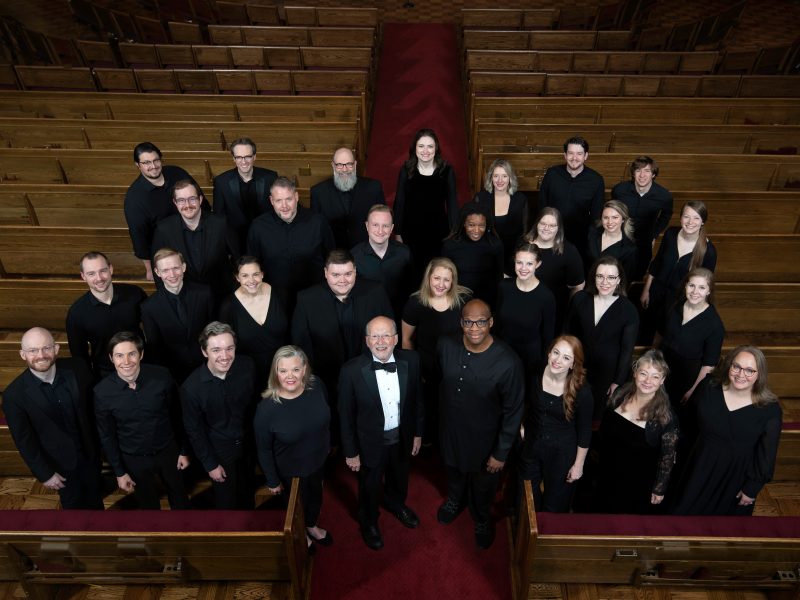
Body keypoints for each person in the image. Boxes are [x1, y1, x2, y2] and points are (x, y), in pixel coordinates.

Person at [436, 299, 524, 549]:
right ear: (461, 322)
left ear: (491, 322)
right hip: (451, 432)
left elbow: (513, 411)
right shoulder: (445, 345)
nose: (474, 328)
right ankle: (455, 500)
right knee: (453, 471)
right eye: (468, 322)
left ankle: (482, 517)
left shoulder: (509, 362)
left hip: (486, 441)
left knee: (484, 485)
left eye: (481, 322)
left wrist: (501, 452)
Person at [338, 316, 424, 550]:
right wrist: (350, 451)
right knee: (369, 485)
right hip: (369, 443)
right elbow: (345, 416)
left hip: (402, 436)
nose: (381, 341)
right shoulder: (351, 371)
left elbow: (417, 401)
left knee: (400, 476)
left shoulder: (412, 361)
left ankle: (396, 504)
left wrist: (417, 433)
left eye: (386, 335)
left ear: (396, 339)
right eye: (375, 336)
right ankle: (369, 521)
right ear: (367, 341)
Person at [291, 249, 393, 439]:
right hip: (328, 377)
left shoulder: (376, 292)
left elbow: (390, 334)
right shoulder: (306, 299)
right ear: (325, 273)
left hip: (370, 374)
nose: (343, 280)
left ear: (355, 270)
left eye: (348, 273)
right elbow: (301, 346)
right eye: (336, 274)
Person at [673, 346, 782, 516]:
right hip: (698, 466)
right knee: (681, 519)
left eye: (749, 370)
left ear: (759, 374)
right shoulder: (708, 386)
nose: (741, 374)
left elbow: (766, 456)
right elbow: (686, 423)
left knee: (720, 530)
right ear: (729, 365)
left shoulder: (770, 409)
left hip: (734, 477)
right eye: (736, 366)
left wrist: (752, 488)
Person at [4, 327, 104, 509]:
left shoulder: (78, 368)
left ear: (56, 349)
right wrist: (45, 474)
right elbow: (25, 441)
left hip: (91, 456)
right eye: (33, 350)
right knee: (73, 511)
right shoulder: (14, 395)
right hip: (61, 466)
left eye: (46, 348)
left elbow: (95, 409)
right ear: (22, 354)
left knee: (97, 504)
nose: (41, 355)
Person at [94, 331, 190, 510]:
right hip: (133, 458)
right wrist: (120, 471)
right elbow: (107, 436)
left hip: (168, 451)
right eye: (119, 356)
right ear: (111, 358)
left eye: (132, 354)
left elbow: (177, 415)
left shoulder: (162, 376)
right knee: (147, 506)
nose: (126, 361)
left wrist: (183, 450)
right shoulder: (101, 392)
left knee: (180, 498)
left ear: (141, 355)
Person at [254, 346, 332, 552]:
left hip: (318, 460)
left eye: (296, 369)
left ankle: (312, 526)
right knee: (295, 508)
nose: (290, 376)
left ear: (304, 369)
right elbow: (263, 449)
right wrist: (272, 479)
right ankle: (301, 534)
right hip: (290, 472)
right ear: (275, 373)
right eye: (283, 371)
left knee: (316, 497)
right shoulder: (266, 409)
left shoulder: (317, 386)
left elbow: (325, 420)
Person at [181, 322, 257, 509]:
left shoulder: (248, 366)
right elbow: (194, 431)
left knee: (248, 493)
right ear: (204, 352)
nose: (224, 356)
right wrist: (210, 465)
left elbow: (256, 405)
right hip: (220, 452)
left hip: (248, 445)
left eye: (229, 348)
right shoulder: (191, 388)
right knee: (226, 500)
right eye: (216, 350)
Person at [595, 349, 678, 514]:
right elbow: (604, 431)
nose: (648, 380)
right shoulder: (619, 395)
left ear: (662, 380)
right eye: (644, 374)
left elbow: (667, 458)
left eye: (655, 376)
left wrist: (659, 488)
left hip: (636, 484)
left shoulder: (665, 416)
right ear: (635, 373)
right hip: (607, 473)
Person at [401, 257, 471, 444]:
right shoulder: (415, 303)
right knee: (430, 406)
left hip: (456, 365)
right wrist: (415, 370)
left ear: (453, 281)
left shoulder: (464, 300)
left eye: (446, 280)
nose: (441, 284)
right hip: (427, 365)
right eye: (437, 278)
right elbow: (406, 339)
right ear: (428, 278)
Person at [519, 336, 592, 513]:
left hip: (562, 452)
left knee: (554, 504)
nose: (558, 360)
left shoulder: (583, 391)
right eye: (556, 353)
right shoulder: (535, 371)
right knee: (527, 497)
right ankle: (526, 535)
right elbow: (525, 402)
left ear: (573, 364)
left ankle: (545, 536)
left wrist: (578, 465)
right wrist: (522, 426)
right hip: (532, 443)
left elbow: (584, 431)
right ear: (549, 352)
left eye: (566, 358)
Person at [246, 176, 335, 316]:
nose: (284, 206)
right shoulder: (258, 227)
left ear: (296, 197)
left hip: (313, 296)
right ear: (271, 201)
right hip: (274, 299)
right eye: (278, 201)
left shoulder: (318, 222)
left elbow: (331, 258)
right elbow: (253, 264)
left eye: (288, 199)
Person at [659, 268, 724, 449]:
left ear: (709, 291)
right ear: (685, 286)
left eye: (702, 288)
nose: (695, 292)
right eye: (692, 285)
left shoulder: (714, 324)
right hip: (663, 371)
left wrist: (692, 391)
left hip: (686, 380)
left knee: (675, 425)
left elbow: (709, 365)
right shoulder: (675, 306)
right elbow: (662, 339)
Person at [565, 257, 639, 418]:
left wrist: (617, 382)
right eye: (600, 276)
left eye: (611, 277)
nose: (605, 282)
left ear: (619, 280)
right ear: (594, 277)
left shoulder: (629, 310)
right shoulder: (580, 299)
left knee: (595, 413)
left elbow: (627, 350)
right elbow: (567, 333)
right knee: (570, 407)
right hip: (578, 364)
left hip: (606, 373)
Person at [124, 142, 207, 281]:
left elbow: (201, 202)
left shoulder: (177, 173)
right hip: (168, 252)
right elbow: (139, 238)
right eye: (146, 162)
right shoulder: (134, 199)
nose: (153, 166)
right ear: (138, 165)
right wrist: (149, 269)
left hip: (197, 239)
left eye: (156, 160)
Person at [151, 179, 239, 306]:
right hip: (186, 300)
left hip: (221, 297)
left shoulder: (221, 223)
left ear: (200, 199)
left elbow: (238, 260)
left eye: (192, 199)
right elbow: (158, 266)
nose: (187, 205)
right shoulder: (164, 229)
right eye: (181, 200)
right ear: (175, 203)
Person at [640, 200, 717, 344]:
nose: (690, 222)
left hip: (678, 301)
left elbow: (706, 285)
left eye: (696, 218)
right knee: (646, 328)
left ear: (702, 222)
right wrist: (646, 290)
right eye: (686, 216)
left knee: (664, 335)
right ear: (681, 217)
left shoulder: (708, 251)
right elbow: (656, 263)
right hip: (656, 293)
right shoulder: (670, 234)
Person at [66, 251, 147, 381]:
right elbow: (79, 357)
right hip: (106, 375)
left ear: (111, 269)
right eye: (91, 274)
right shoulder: (76, 313)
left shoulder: (135, 294)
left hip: (142, 367)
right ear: (83, 276)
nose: (99, 278)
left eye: (103, 271)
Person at [394, 128, 459, 279]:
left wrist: (454, 233)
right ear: (414, 148)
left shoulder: (446, 171)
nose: (425, 150)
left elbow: (452, 204)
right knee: (413, 274)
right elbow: (400, 202)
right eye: (421, 146)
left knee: (434, 273)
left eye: (430, 146)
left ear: (436, 148)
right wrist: (397, 233)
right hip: (411, 232)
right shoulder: (406, 170)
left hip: (438, 233)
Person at [141, 248, 214, 383]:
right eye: (165, 270)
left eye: (176, 268)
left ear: (184, 267)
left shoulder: (204, 293)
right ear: (157, 272)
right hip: (174, 373)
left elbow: (214, 330)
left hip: (208, 365)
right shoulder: (149, 307)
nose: (172, 274)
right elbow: (155, 347)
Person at [219, 256, 288, 392]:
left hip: (284, 368)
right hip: (249, 374)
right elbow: (226, 345)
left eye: (256, 274)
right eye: (245, 276)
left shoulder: (281, 294)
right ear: (237, 278)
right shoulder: (228, 307)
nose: (251, 281)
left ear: (262, 274)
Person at [493, 243, 556, 379]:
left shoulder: (546, 296)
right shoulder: (504, 286)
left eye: (529, 264)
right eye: (519, 263)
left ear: (537, 264)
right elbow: (496, 323)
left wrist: (544, 364)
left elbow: (547, 336)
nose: (523, 268)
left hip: (530, 360)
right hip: (503, 353)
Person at [538, 136, 604, 259]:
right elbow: (542, 204)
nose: (574, 158)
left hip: (580, 238)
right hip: (551, 233)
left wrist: (591, 242)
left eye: (579, 154)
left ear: (586, 156)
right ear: (565, 155)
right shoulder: (552, 173)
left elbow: (596, 215)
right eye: (571, 153)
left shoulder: (596, 180)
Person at [611, 156, 673, 280]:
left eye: (647, 171)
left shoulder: (664, 195)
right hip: (620, 240)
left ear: (653, 174)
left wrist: (654, 234)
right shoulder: (619, 190)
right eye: (638, 170)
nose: (642, 175)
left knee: (637, 277)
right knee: (615, 274)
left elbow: (667, 215)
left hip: (644, 244)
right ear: (633, 173)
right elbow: (612, 211)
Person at [311, 147, 386, 249]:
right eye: (339, 165)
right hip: (334, 255)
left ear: (355, 164)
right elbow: (316, 231)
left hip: (367, 252)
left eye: (349, 164)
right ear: (333, 165)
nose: (345, 169)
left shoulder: (373, 188)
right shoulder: (318, 192)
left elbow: (384, 221)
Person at [350, 204, 414, 321]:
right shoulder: (354, 257)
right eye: (375, 225)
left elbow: (411, 287)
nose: (380, 231)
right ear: (367, 226)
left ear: (391, 228)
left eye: (385, 226)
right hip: (366, 316)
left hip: (398, 315)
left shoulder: (405, 253)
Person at [212, 137, 278, 250]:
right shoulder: (221, 182)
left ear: (254, 157)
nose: (244, 161)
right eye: (239, 157)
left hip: (267, 237)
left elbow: (276, 208)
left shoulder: (271, 177)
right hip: (237, 241)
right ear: (233, 158)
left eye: (247, 156)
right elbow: (219, 216)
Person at [525, 208, 584, 332]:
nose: (546, 228)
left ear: (559, 228)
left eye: (552, 225)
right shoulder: (523, 244)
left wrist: (568, 312)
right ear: (537, 224)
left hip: (554, 312)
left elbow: (578, 286)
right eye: (543, 224)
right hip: (524, 306)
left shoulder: (569, 251)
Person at [441, 203, 504, 308]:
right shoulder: (450, 245)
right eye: (471, 225)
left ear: (486, 225)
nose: (476, 230)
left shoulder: (495, 244)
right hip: (458, 299)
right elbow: (445, 277)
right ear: (464, 223)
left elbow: (499, 276)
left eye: (481, 225)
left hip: (488, 300)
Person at [473, 158, 529, 275]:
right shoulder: (481, 198)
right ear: (491, 178)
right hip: (486, 255)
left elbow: (523, 233)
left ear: (510, 178)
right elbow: (475, 230)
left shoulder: (520, 200)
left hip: (512, 256)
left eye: (504, 176)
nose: (500, 180)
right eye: (496, 176)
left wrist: (516, 260)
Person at [585, 200, 638, 286]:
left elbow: (625, 280)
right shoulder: (591, 233)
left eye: (615, 217)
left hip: (608, 292)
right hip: (586, 286)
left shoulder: (629, 249)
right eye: (606, 217)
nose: (610, 222)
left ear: (623, 219)